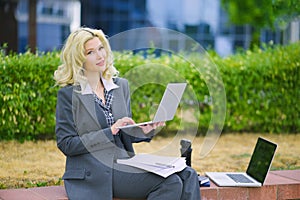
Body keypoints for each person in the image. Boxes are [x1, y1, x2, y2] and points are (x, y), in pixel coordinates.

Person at [54, 27, 201, 200]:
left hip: (125, 161)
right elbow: (67, 144)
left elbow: (125, 134)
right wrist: (110, 131)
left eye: (101, 48)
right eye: (91, 52)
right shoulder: (70, 95)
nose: (100, 56)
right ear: (79, 59)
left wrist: (144, 130)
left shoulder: (119, 86)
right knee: (171, 182)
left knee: (189, 174)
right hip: (94, 172)